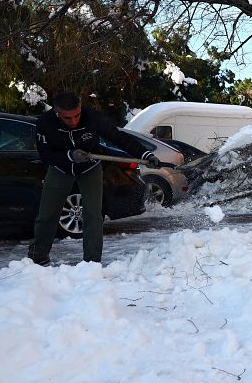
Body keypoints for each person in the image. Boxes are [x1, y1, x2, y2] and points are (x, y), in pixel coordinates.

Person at [28, 92, 160, 266]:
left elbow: (118, 137)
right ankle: (39, 255)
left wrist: (145, 154)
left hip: (90, 167)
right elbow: (46, 156)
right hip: (60, 168)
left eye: (77, 115)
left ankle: (91, 262)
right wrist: (69, 156)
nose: (74, 121)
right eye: (68, 118)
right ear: (57, 113)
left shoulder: (92, 117)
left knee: (93, 215)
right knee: (47, 213)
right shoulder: (45, 123)